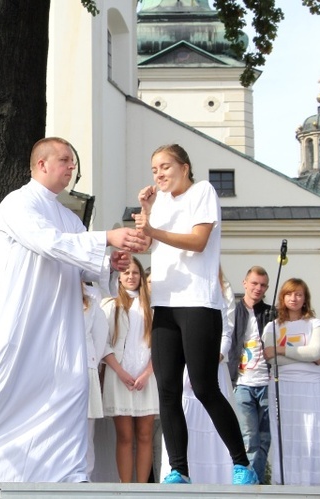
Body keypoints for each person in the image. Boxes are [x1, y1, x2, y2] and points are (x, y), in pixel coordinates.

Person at [0, 137, 143, 482]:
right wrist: (106, 238)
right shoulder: (18, 204)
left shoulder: (69, 218)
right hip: (17, 325)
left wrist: (111, 263)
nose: (71, 167)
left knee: (72, 388)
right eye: (65, 160)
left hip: (58, 329)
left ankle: (66, 473)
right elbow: (49, 242)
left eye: (72, 162)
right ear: (41, 164)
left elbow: (81, 264)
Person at [132, 144, 257, 485]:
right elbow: (148, 246)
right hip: (165, 303)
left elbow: (199, 241)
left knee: (204, 387)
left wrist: (152, 229)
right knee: (168, 390)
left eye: (165, 166)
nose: (158, 173)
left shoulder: (203, 191)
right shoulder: (159, 203)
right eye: (154, 168)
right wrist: (147, 210)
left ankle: (242, 463)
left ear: (184, 167)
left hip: (199, 303)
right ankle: (179, 470)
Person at [160, 269, 236, 484]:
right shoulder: (172, 292)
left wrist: (210, 359)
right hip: (184, 369)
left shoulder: (220, 292)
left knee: (210, 400)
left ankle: (233, 469)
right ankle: (180, 471)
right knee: (179, 410)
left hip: (211, 362)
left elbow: (226, 332)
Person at [263, 278, 320, 486]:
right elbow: (269, 357)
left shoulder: (316, 324)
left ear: (305, 299)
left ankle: (319, 481)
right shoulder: (272, 326)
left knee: (313, 430)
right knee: (287, 433)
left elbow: (316, 351)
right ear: (282, 297)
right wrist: (305, 356)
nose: (293, 298)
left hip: (310, 385)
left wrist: (281, 350)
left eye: (298, 294)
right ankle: (286, 481)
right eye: (289, 294)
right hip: (283, 384)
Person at [101, 257, 157, 483]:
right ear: (120, 277)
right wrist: (121, 372)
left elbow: (161, 345)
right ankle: (126, 488)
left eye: (135, 272)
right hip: (119, 376)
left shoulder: (153, 306)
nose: (131, 276)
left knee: (145, 436)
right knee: (125, 437)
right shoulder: (110, 305)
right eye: (126, 273)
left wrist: (146, 373)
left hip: (147, 377)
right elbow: (103, 343)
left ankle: (142, 488)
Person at [228, 266, 271, 484]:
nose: (258, 288)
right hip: (242, 382)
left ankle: (258, 480)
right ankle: (248, 483)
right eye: (254, 283)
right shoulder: (232, 312)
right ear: (245, 283)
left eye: (262, 285)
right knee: (249, 436)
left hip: (267, 382)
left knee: (265, 438)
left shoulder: (271, 313)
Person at [82, 283, 109, 480]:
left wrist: (91, 362)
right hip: (59, 374)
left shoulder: (91, 305)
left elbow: (100, 339)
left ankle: (85, 475)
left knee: (86, 430)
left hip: (87, 370)